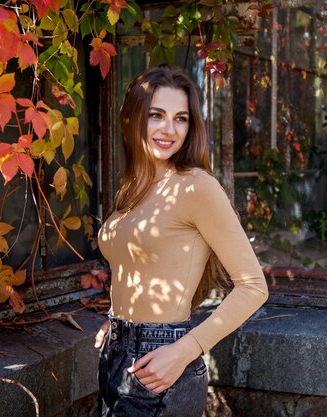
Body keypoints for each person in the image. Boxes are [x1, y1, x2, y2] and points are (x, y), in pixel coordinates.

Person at [95, 65, 269, 417]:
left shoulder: (196, 186)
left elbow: (254, 287)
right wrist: (117, 322)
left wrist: (184, 350)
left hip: (163, 363)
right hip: (116, 356)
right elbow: (137, 268)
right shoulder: (133, 188)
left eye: (181, 118)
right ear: (133, 118)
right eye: (156, 115)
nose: (169, 129)